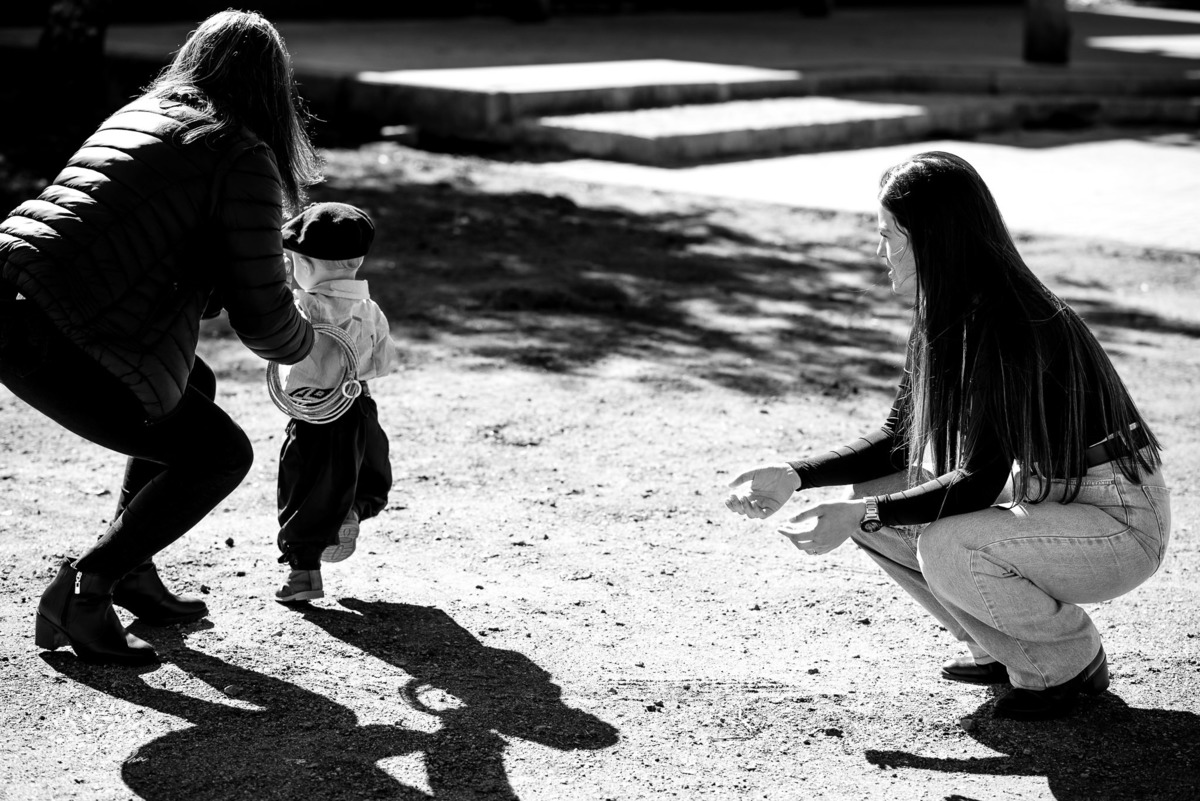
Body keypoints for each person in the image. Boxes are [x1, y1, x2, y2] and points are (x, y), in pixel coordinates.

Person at [725, 151, 1171, 721]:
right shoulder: (951, 310)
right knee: (876, 496)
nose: (879, 250)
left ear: (929, 237)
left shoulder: (1011, 321)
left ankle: (1064, 662)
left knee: (939, 541)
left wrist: (863, 514)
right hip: (1050, 498)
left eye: (888, 234)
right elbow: (899, 437)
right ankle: (999, 648)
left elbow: (981, 480)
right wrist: (796, 474)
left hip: (1118, 522)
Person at [0, 10, 321, 666]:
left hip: (15, 302)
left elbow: (126, 250)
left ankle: (133, 567)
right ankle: (87, 585)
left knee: (192, 382)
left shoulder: (143, 115)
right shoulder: (240, 153)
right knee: (220, 454)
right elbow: (264, 320)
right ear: (273, 89)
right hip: (54, 334)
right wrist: (317, 344)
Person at [273, 202, 399, 604]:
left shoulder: (303, 307)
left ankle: (304, 575)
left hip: (316, 416)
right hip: (359, 408)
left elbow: (277, 345)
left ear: (306, 268)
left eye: (294, 262)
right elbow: (384, 362)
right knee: (363, 473)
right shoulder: (371, 309)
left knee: (304, 489)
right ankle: (353, 511)